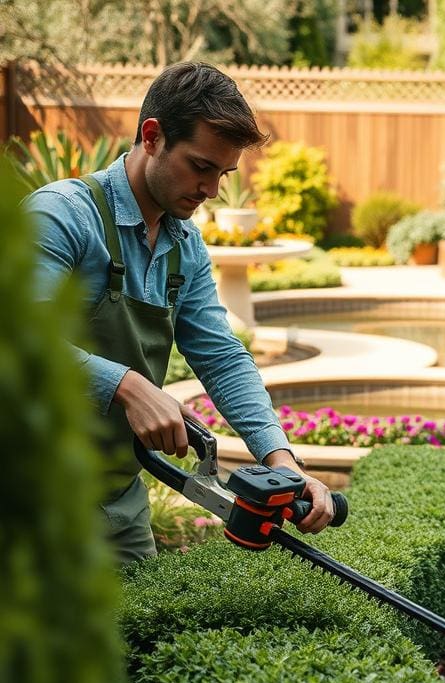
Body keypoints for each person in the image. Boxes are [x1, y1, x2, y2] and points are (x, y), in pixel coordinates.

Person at [26, 62, 335, 563]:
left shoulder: (183, 244)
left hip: (115, 502)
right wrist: (126, 385)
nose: (212, 189)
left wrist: (281, 461)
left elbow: (222, 357)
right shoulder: (62, 216)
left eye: (224, 173)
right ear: (152, 136)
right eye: (201, 166)